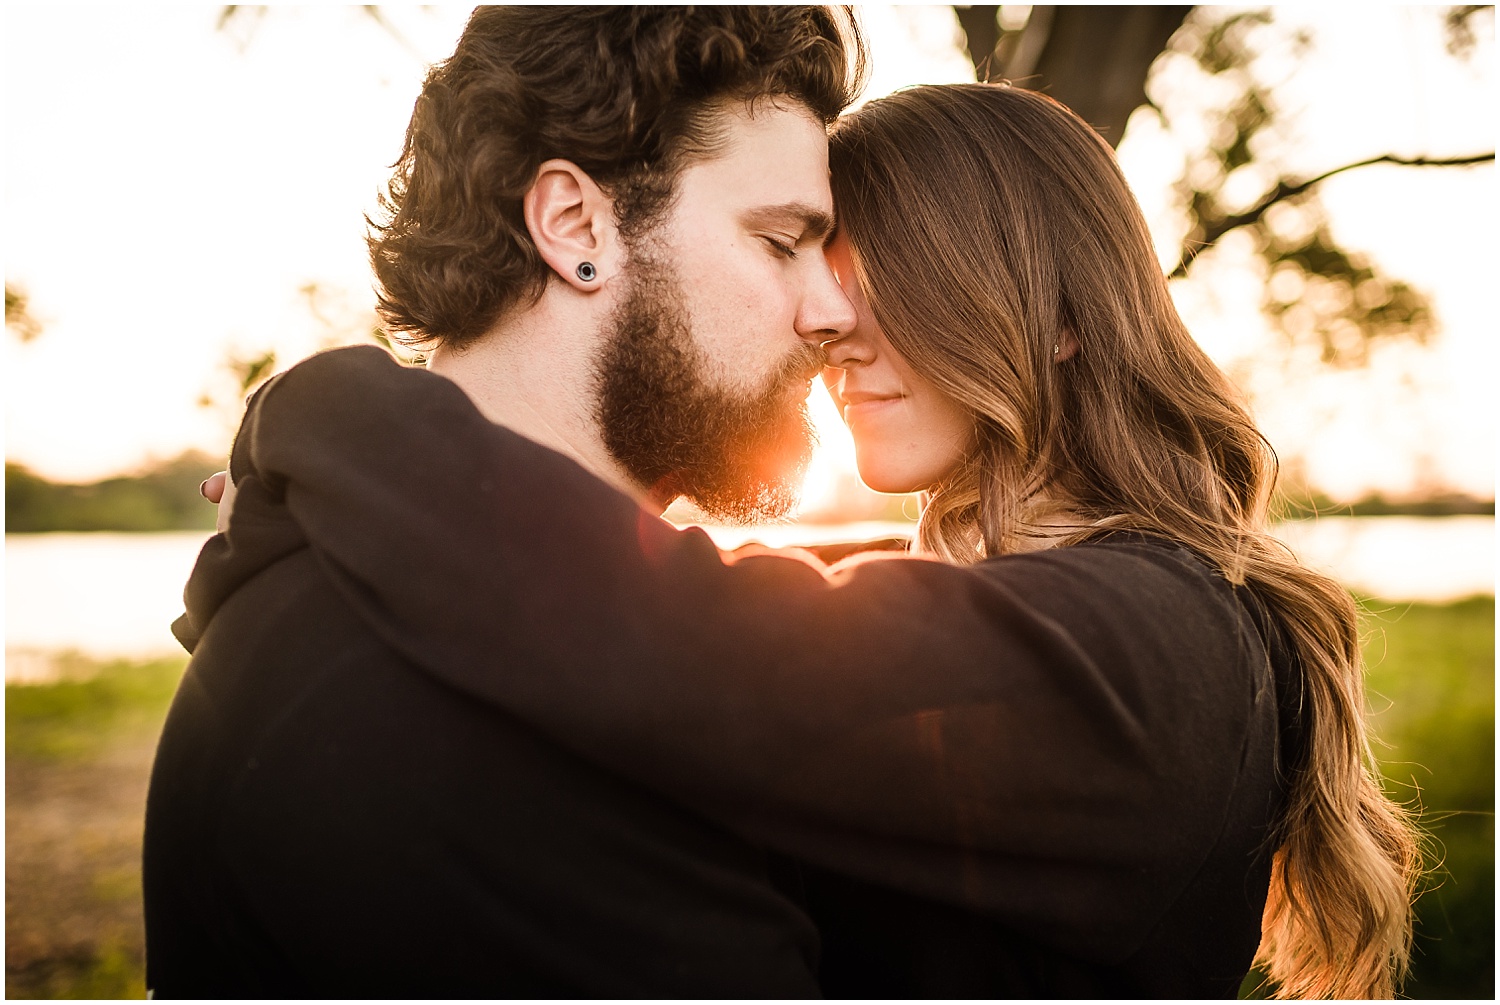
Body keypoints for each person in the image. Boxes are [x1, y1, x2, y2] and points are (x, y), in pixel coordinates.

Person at [207, 83, 1422, 998]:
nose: (826, 315)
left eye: (873, 265)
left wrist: (325, 413)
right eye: (805, 254)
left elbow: (665, 637)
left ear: (1052, 316)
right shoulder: (997, 605)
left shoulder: (1166, 641)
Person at [144, 6, 868, 996]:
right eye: (782, 241)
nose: (832, 312)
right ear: (575, 226)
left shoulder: (509, 627)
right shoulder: (425, 720)